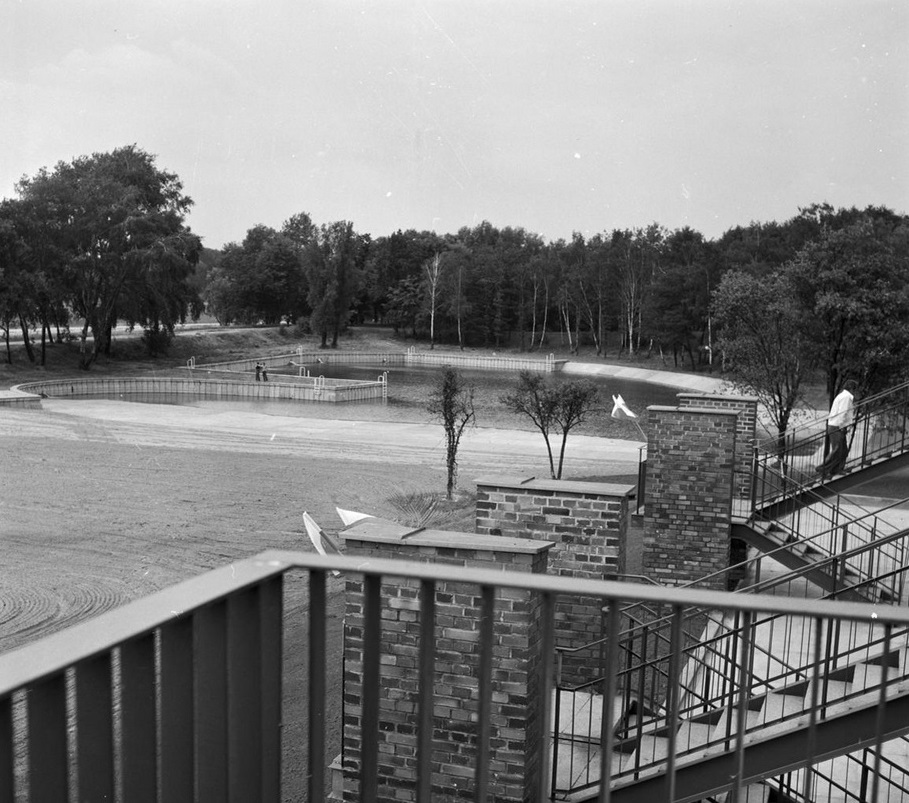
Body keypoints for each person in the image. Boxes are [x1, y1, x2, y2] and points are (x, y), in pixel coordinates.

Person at [817, 380, 858, 479]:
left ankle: (837, 469)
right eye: (855, 389)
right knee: (838, 449)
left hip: (835, 425)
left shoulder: (843, 396)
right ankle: (823, 468)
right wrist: (841, 427)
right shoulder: (846, 397)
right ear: (852, 388)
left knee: (843, 450)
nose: (856, 392)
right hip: (837, 426)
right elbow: (842, 413)